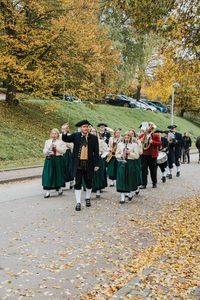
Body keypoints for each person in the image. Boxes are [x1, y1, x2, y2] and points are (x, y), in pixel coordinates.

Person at [62, 120, 99, 211]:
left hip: (89, 164)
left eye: (87, 126)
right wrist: (65, 131)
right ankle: (78, 202)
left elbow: (96, 152)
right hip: (78, 164)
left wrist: (97, 164)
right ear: (81, 128)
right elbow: (65, 139)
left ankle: (87, 198)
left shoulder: (93, 138)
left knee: (89, 183)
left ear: (88, 128)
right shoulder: (76, 135)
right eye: (84, 127)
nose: (85, 128)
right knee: (77, 183)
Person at [116, 132, 140, 203]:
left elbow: (137, 156)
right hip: (122, 162)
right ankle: (122, 197)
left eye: (128, 137)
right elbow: (116, 154)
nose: (126, 139)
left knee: (130, 179)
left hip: (130, 163)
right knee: (121, 179)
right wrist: (121, 155)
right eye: (125, 137)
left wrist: (129, 153)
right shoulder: (120, 144)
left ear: (130, 138)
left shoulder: (134, 145)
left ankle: (130, 193)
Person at [42, 128, 66, 198]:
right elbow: (44, 150)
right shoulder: (47, 141)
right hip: (49, 159)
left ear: (58, 134)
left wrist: (56, 148)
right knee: (48, 174)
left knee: (58, 174)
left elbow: (63, 151)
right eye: (52, 133)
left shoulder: (61, 142)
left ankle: (59, 188)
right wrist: (47, 150)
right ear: (50, 134)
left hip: (58, 159)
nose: (54, 135)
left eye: (55, 133)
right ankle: (47, 191)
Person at [139, 122, 162, 189]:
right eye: (147, 127)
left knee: (153, 170)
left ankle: (154, 183)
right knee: (144, 170)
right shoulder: (143, 134)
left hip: (152, 155)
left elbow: (160, 143)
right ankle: (144, 184)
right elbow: (138, 140)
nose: (148, 128)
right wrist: (141, 140)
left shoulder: (155, 135)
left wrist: (153, 142)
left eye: (150, 127)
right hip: (144, 154)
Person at [90, 127, 109, 198]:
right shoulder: (87, 140)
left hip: (98, 159)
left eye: (94, 131)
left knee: (98, 174)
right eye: (91, 131)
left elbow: (107, 150)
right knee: (90, 174)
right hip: (89, 159)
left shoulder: (100, 141)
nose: (93, 133)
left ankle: (98, 190)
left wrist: (102, 155)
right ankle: (91, 187)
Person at [61, 123, 74, 188]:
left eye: (65, 129)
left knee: (69, 167)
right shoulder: (59, 135)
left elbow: (72, 146)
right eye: (63, 129)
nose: (63, 130)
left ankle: (71, 181)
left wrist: (66, 143)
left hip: (67, 153)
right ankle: (62, 182)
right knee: (62, 168)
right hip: (61, 153)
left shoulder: (70, 135)